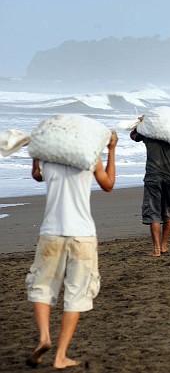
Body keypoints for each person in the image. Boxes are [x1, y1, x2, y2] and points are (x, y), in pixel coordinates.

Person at [26, 131, 117, 369]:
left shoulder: (48, 158)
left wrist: (36, 154)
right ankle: (60, 356)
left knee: (42, 287)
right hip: (82, 234)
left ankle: (44, 337)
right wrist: (111, 150)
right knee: (76, 294)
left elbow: (36, 176)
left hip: (51, 232)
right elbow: (108, 184)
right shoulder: (89, 157)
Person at [131, 119, 170, 256]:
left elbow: (133, 136)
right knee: (169, 212)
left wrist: (139, 124)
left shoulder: (148, 133)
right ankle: (164, 245)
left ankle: (156, 248)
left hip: (152, 177)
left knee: (154, 213)